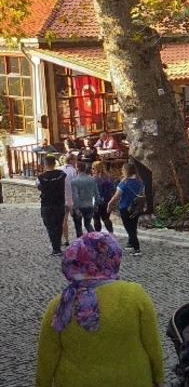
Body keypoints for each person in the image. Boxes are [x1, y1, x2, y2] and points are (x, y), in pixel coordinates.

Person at [35, 232, 164, 387]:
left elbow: (47, 357)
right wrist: (158, 378)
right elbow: (152, 345)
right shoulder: (135, 296)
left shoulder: (60, 306)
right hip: (133, 379)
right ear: (113, 256)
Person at [108, 162, 145, 256]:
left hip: (125, 208)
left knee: (129, 229)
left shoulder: (124, 183)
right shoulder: (140, 182)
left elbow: (115, 197)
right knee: (133, 226)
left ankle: (137, 249)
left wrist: (109, 205)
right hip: (136, 208)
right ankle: (131, 244)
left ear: (125, 171)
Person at [37, 156, 68, 256]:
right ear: (55, 163)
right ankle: (57, 247)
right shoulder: (62, 174)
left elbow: (39, 187)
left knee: (50, 226)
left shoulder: (40, 177)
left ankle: (56, 248)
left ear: (44, 164)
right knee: (58, 226)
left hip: (47, 205)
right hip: (59, 204)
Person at [70, 162, 100, 237]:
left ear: (77, 168)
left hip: (79, 206)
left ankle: (81, 244)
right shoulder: (92, 179)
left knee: (78, 226)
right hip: (89, 205)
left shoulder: (74, 181)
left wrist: (76, 208)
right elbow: (96, 194)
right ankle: (95, 239)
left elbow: (75, 196)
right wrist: (96, 205)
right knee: (88, 224)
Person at [91, 161, 115, 234]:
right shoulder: (109, 177)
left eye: (92, 168)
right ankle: (111, 233)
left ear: (95, 168)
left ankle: (98, 235)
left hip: (96, 202)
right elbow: (113, 189)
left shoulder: (93, 179)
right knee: (106, 218)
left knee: (96, 218)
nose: (92, 170)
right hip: (107, 201)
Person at [61, 153, 78, 247]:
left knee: (62, 220)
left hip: (61, 198)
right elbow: (75, 186)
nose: (76, 162)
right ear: (71, 161)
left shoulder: (59, 169)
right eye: (75, 160)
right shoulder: (73, 171)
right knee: (72, 219)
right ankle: (68, 239)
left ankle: (63, 239)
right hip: (70, 198)